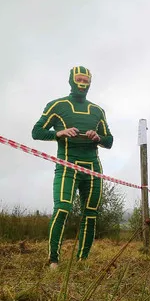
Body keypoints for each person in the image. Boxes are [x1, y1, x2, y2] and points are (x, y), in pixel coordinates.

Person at [32, 66, 113, 269]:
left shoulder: (97, 110)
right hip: (67, 165)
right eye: (79, 79)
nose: (82, 83)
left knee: (91, 213)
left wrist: (98, 137)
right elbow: (36, 131)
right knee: (62, 208)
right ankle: (53, 261)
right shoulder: (57, 105)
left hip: (93, 168)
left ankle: (82, 261)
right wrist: (58, 133)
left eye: (86, 80)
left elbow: (109, 141)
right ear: (71, 80)